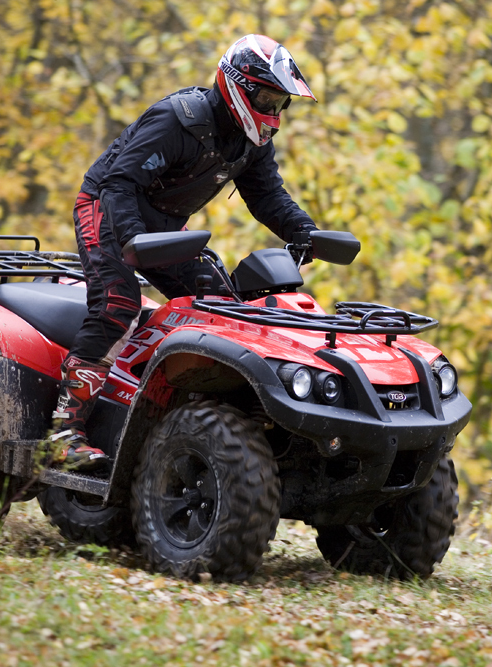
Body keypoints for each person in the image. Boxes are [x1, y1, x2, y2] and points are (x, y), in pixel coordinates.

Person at [48, 34, 319, 472]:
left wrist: (306, 231)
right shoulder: (177, 120)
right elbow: (119, 183)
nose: (273, 112)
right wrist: (134, 239)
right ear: (238, 86)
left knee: (222, 311)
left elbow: (268, 197)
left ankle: (174, 419)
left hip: (163, 222)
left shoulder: (253, 142)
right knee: (118, 303)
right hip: (107, 205)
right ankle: (64, 430)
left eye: (280, 102)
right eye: (267, 98)